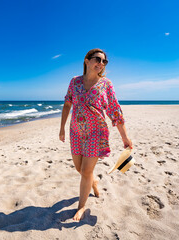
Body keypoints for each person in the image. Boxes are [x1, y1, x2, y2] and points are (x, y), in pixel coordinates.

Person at [59, 48, 133, 221]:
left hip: (96, 132)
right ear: (86, 61)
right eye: (97, 59)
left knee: (85, 170)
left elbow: (115, 111)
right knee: (80, 169)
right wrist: (62, 128)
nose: (101, 64)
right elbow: (67, 105)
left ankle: (82, 206)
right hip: (76, 131)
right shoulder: (74, 82)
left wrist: (124, 137)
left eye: (104, 61)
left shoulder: (106, 84)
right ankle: (93, 183)